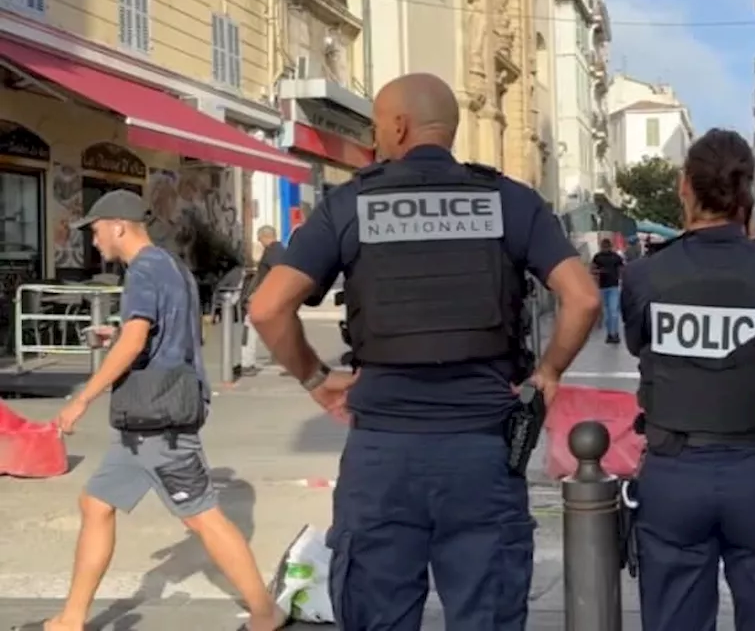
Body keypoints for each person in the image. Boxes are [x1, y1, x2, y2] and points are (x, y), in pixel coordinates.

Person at [247, 72, 600, 631]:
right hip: (484, 456)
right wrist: (548, 373)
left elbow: (268, 307)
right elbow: (581, 298)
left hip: (383, 457)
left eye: (377, 127)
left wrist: (315, 379)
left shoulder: (353, 202)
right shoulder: (509, 200)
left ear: (398, 125)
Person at [45, 190, 281, 631]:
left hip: (159, 422)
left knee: (202, 516)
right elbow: (159, 335)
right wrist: (113, 337)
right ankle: (71, 620)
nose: (94, 241)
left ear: (118, 226)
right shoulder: (171, 267)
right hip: (147, 420)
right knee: (95, 503)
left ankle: (266, 612)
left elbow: (138, 340)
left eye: (96, 230)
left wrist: (82, 398)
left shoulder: (144, 270)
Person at [620, 128, 755, 630]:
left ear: (685, 186)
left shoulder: (644, 274)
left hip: (673, 474)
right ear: (748, 189)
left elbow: (639, 344)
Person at [241, 225, 285, 376]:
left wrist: (257, 293)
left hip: (264, 297)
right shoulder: (278, 251)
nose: (260, 243)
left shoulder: (273, 252)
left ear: (266, 237)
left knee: (250, 327)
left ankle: (247, 363)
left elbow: (275, 274)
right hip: (270, 296)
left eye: (260, 240)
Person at [591, 236, 625, 344]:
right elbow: (592, 269)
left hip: (610, 287)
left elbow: (621, 270)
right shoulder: (599, 257)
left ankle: (613, 334)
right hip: (607, 287)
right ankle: (611, 334)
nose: (605, 248)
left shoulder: (614, 257)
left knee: (612, 311)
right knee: (610, 312)